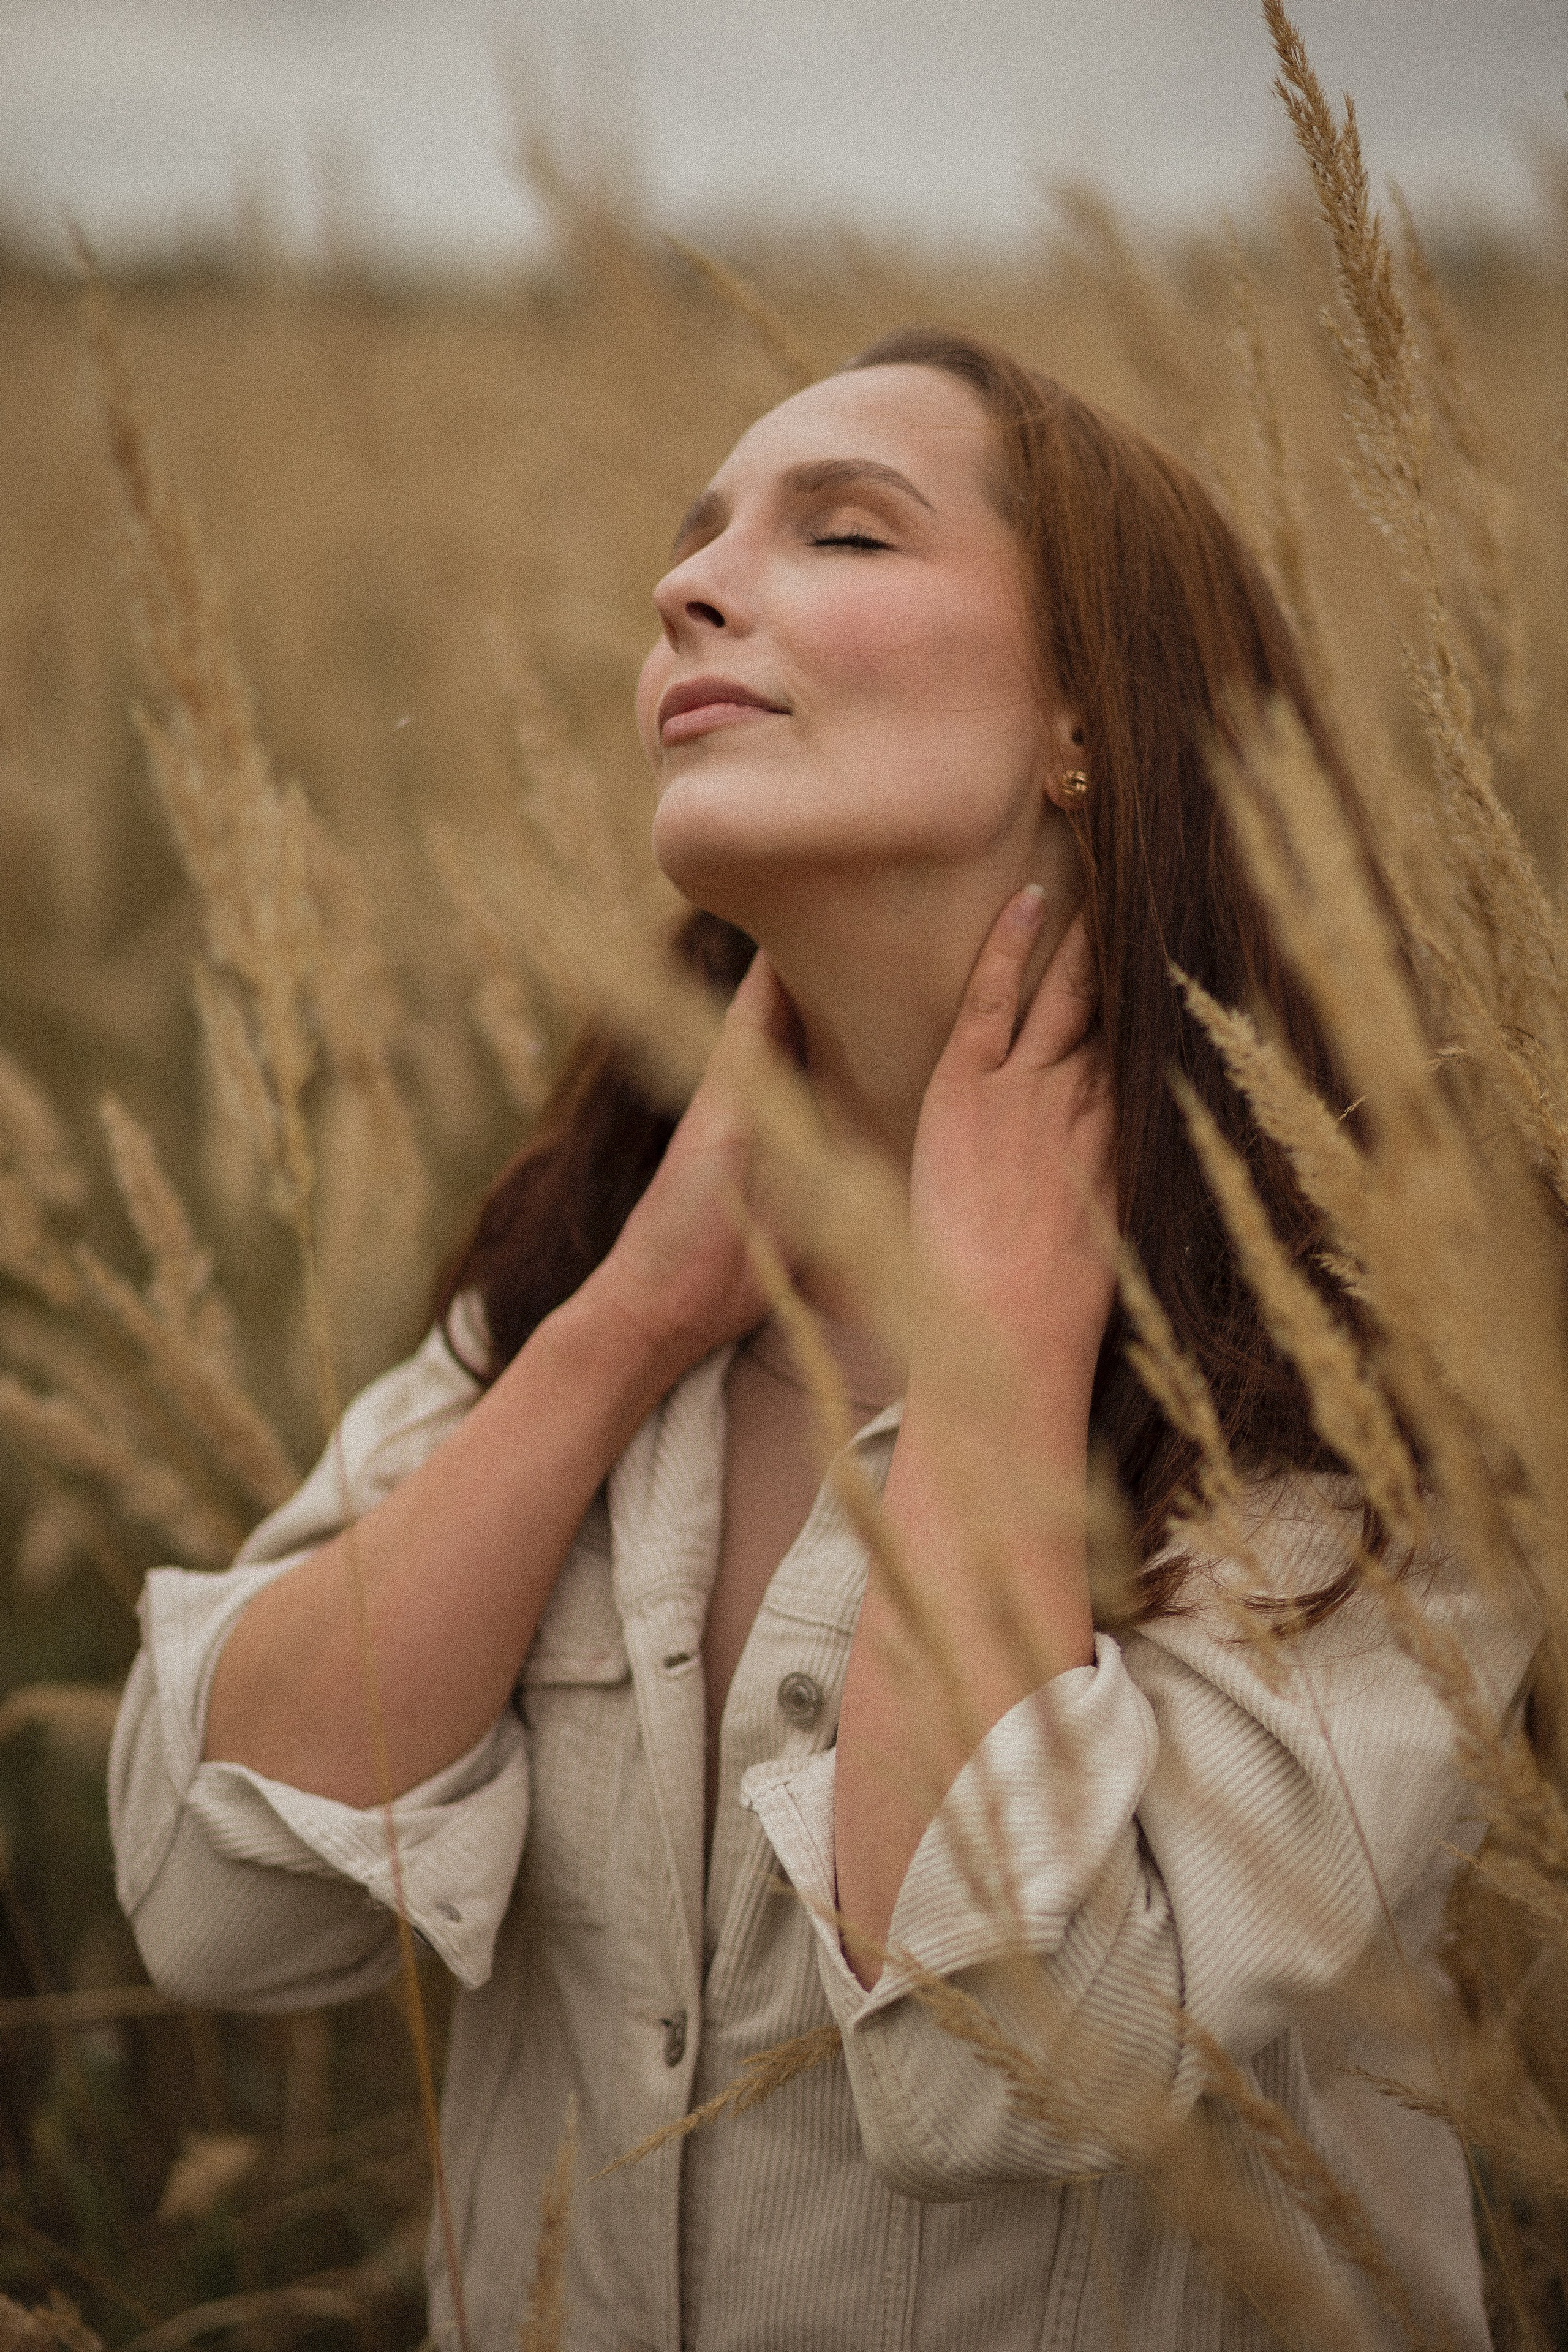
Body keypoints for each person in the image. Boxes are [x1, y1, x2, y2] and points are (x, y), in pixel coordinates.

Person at [109, 328, 1536, 2351]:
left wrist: (997, 1354)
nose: (688, 587)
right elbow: (218, 1901)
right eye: (693, 547)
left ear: (1084, 718)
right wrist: (624, 1329)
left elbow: (1001, 2066)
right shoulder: (587, 1259)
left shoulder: (1381, 1399)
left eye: (842, 533)